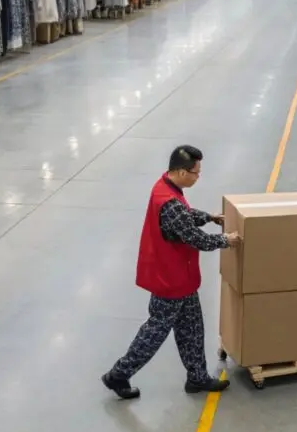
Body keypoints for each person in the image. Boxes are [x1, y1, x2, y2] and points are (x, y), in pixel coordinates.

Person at [102, 145, 241, 400]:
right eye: (195, 173)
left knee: (192, 327)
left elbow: (185, 217)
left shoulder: (166, 186)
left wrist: (208, 216)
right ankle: (118, 374)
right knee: (155, 332)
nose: (198, 177)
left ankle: (197, 376)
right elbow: (194, 238)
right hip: (170, 280)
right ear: (179, 171)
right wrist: (225, 240)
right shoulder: (168, 202)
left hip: (181, 277)